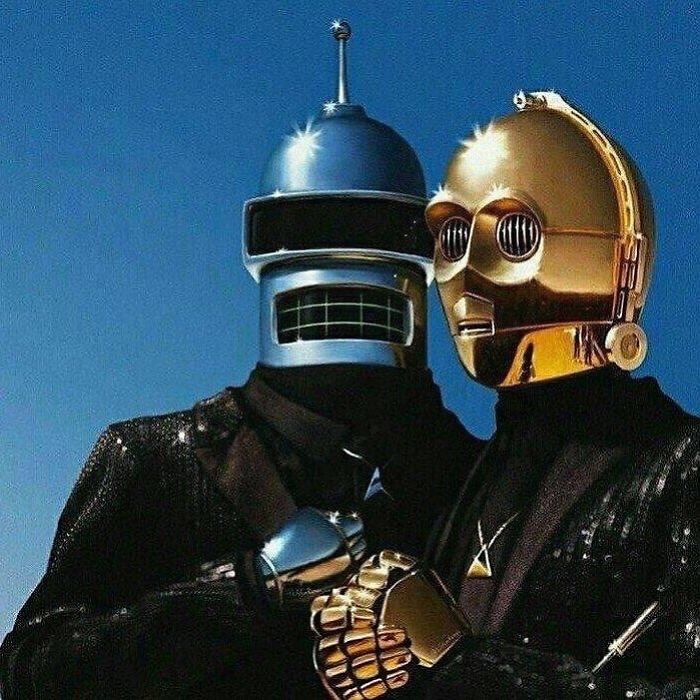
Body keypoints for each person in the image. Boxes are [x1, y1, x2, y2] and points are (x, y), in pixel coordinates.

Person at [0, 24, 482, 699]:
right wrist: (248, 584)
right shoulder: (153, 462)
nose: (343, 284)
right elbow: (30, 673)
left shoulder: (474, 481)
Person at [310, 91, 699, 699]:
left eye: (513, 235)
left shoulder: (679, 468)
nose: (466, 274)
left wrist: (460, 662)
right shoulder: (472, 481)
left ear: (609, 254)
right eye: (450, 239)